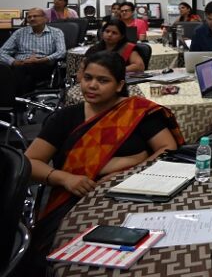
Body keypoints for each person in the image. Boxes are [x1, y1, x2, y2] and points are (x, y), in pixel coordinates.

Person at [22, 51, 184, 274]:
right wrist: (64, 178)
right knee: (74, 261)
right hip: (76, 199)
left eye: (103, 80)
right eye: (88, 78)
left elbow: (168, 148)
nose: (92, 85)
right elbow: (29, 162)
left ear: (119, 85)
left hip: (134, 195)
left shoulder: (138, 112)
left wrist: (132, 169)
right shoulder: (65, 118)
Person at [0, 8, 66, 93]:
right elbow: (2, 52)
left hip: (43, 64)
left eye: (35, 16)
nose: (32, 19)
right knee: (23, 75)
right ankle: (23, 97)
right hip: (20, 63)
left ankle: (15, 98)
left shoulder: (56, 32)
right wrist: (13, 62)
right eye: (29, 17)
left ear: (45, 18)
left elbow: (61, 52)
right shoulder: (19, 33)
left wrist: (43, 60)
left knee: (21, 71)